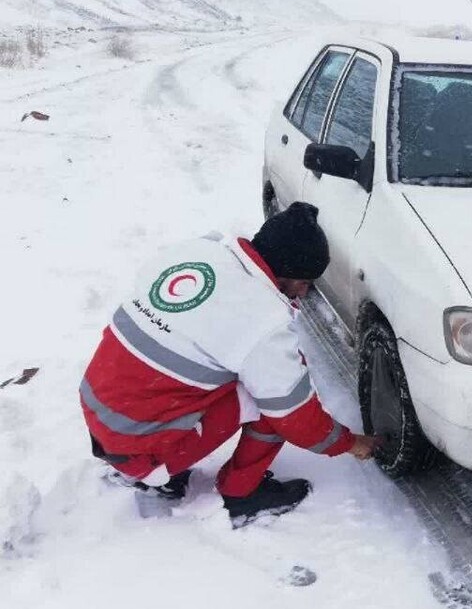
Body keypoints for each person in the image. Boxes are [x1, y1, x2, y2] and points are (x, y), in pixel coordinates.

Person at [80, 202, 381, 526]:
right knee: (273, 398)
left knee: (239, 371)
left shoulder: (199, 251)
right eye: (305, 281)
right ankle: (242, 495)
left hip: (101, 416)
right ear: (285, 269)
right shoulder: (261, 319)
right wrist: (352, 443)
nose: (305, 291)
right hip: (140, 450)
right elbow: (296, 418)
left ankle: (152, 456)